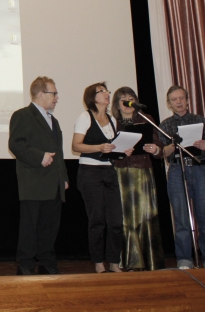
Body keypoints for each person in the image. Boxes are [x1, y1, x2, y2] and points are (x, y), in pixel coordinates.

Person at [8, 76, 69, 275]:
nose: (57, 97)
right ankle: (25, 265)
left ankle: (47, 264)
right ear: (41, 94)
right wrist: (39, 157)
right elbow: (16, 144)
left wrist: (63, 177)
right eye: (54, 93)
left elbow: (58, 151)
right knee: (30, 227)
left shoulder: (54, 121)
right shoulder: (23, 115)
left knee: (50, 227)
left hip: (54, 182)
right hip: (33, 181)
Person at [72, 82, 132, 273]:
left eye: (107, 91)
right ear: (92, 97)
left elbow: (112, 149)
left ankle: (114, 262)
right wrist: (98, 147)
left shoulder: (112, 119)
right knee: (97, 220)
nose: (107, 94)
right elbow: (76, 146)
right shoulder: (85, 117)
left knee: (116, 220)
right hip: (90, 172)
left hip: (109, 171)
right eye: (101, 91)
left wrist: (123, 151)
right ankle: (98, 263)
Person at [158, 85, 205, 269]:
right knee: (181, 218)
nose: (179, 102)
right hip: (177, 170)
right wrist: (173, 145)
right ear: (169, 104)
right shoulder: (165, 125)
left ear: (187, 100)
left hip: (200, 169)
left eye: (182, 98)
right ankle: (184, 258)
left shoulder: (200, 120)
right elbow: (162, 153)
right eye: (174, 99)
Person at [110, 87, 165, 271]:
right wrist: (118, 150)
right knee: (125, 217)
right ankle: (129, 261)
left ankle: (149, 260)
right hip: (121, 173)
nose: (128, 102)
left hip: (142, 172)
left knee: (145, 215)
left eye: (131, 98)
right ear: (117, 104)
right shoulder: (112, 122)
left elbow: (159, 146)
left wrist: (155, 149)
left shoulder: (146, 118)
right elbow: (106, 149)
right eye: (123, 99)